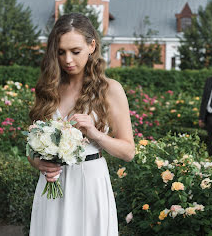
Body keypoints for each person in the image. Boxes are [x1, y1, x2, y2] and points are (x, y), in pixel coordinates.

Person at [27, 12, 135, 236]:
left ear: (92, 46)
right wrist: (38, 164)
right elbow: (32, 147)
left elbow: (128, 151)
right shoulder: (48, 90)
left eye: (75, 52)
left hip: (89, 184)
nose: (67, 60)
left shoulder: (110, 90)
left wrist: (96, 134)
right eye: (60, 52)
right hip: (51, 188)